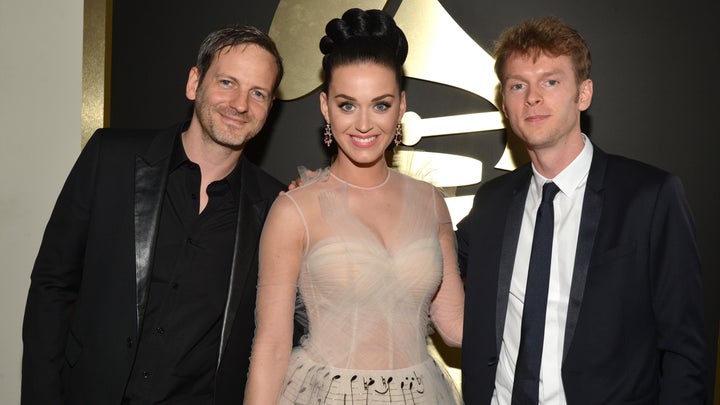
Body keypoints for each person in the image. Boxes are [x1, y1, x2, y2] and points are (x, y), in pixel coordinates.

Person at [21, 25, 286, 404]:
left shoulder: (277, 206)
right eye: (227, 82)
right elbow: (53, 286)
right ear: (195, 83)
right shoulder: (110, 158)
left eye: (257, 93)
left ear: (269, 109)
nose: (240, 104)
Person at [458, 16, 707, 404]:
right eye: (517, 85)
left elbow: (685, 350)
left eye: (551, 81)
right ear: (504, 101)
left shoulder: (650, 196)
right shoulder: (492, 203)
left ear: (584, 93)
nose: (533, 97)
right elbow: (427, 271)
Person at [243, 8, 465, 405]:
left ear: (401, 106)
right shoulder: (294, 210)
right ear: (326, 107)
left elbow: (456, 326)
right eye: (348, 105)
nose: (364, 124)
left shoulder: (430, 202)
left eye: (380, 105)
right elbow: (272, 347)